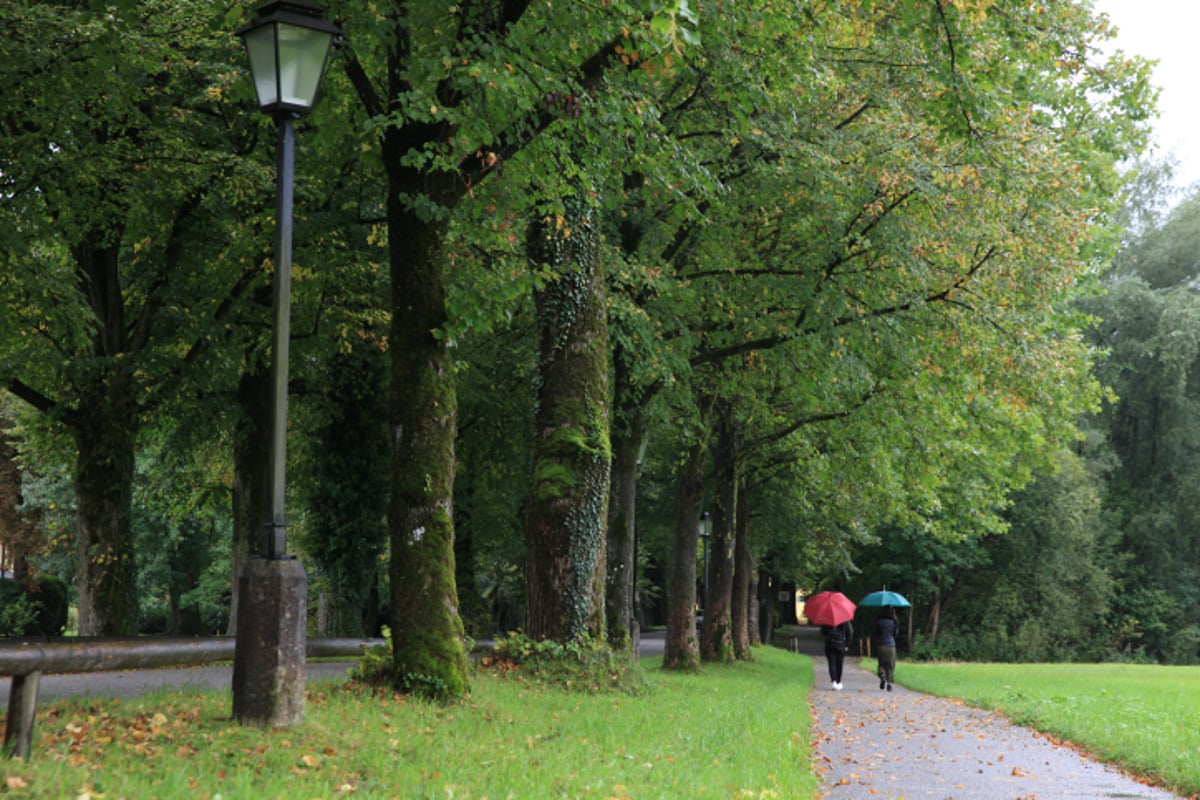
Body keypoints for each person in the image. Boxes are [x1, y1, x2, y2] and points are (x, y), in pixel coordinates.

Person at [873, 607, 899, 691]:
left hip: (881, 646)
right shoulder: (893, 622)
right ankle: (889, 684)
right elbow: (896, 634)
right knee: (890, 666)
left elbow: (875, 634)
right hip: (891, 646)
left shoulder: (879, 621)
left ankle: (882, 675)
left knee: (881, 664)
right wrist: (895, 619)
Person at [821, 620, 852, 690]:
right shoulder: (845, 620)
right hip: (841, 645)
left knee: (832, 663)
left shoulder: (828, 619)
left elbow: (823, 631)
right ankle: (839, 680)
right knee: (839, 663)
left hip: (830, 645)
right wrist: (847, 644)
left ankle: (834, 680)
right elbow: (850, 632)